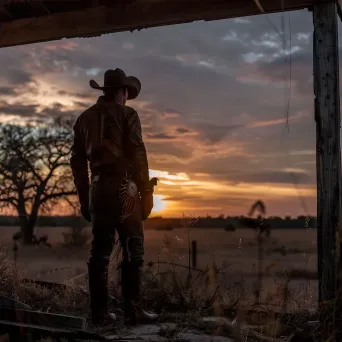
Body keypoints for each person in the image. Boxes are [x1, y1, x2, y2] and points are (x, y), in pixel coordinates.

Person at [70, 68, 158, 327]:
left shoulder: (83, 119)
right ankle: (133, 312)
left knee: (99, 251)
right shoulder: (128, 114)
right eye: (127, 92)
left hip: (97, 189)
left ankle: (99, 314)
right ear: (121, 92)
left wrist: (84, 196)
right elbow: (138, 154)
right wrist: (147, 191)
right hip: (124, 190)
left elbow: (76, 161)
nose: (128, 97)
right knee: (134, 249)